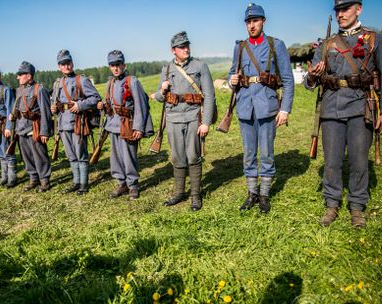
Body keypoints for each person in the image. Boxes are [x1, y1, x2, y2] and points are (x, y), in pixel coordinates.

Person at [305, 0, 382, 227]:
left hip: (360, 107)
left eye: (345, 9)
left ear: (359, 9)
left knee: (358, 161)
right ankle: (332, 204)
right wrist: (313, 75)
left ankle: (356, 206)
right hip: (331, 107)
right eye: (337, 10)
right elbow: (309, 83)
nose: (340, 14)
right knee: (332, 162)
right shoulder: (326, 44)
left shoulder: (376, 40)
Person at [228, 3, 294, 214]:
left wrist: (284, 110)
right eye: (248, 22)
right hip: (246, 107)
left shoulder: (276, 45)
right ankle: (252, 194)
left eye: (255, 21)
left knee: (266, 153)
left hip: (267, 107)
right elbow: (232, 76)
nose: (251, 25)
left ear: (263, 21)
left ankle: (264, 195)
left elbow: (288, 80)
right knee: (248, 154)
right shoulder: (240, 47)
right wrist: (232, 80)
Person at [154, 31, 216, 211]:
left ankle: (196, 195)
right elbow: (158, 97)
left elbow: (210, 96)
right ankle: (179, 193)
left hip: (192, 117)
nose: (186, 49)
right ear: (173, 50)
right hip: (173, 118)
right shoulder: (166, 69)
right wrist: (163, 90)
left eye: (187, 45)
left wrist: (206, 122)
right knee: (177, 156)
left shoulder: (200, 66)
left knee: (193, 156)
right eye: (181, 47)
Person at [97, 50, 153, 199]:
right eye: (112, 65)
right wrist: (103, 105)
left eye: (118, 64)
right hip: (112, 125)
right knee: (115, 158)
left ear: (124, 65)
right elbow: (109, 101)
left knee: (129, 157)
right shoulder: (110, 83)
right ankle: (121, 183)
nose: (115, 68)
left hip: (128, 124)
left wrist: (139, 128)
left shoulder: (132, 81)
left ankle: (133, 185)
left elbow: (141, 106)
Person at [50, 50, 101, 195]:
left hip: (78, 122)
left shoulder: (81, 80)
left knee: (81, 154)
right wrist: (53, 108)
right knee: (71, 155)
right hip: (63, 123)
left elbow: (95, 98)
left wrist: (80, 105)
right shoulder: (57, 83)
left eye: (68, 63)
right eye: (62, 64)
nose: (66, 66)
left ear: (72, 63)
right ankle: (76, 182)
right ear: (59, 67)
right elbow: (53, 101)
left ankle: (84, 184)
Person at [13, 61, 52, 192]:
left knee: (40, 155)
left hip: (34, 128)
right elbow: (17, 110)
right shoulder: (19, 90)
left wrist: (45, 132)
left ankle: (44, 180)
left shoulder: (39, 89)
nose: (18, 77)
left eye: (20, 74)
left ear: (29, 76)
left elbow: (46, 112)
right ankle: (33, 178)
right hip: (21, 128)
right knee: (27, 156)